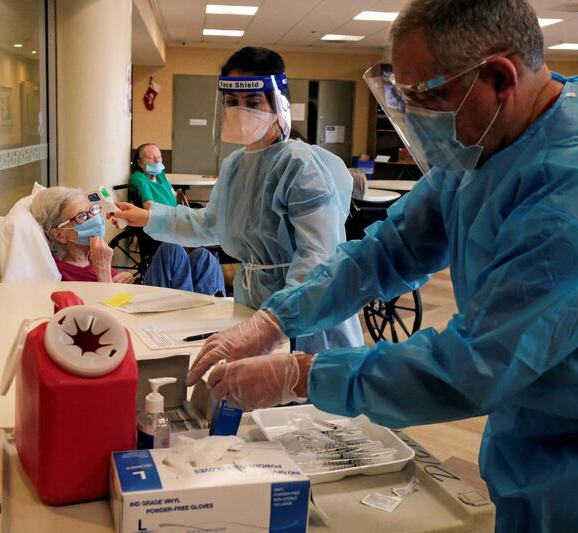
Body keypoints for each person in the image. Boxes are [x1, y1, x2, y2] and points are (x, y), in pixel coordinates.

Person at [189, 1, 578, 531]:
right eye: (405, 97)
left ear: (499, 77)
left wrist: (304, 375)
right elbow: (390, 248)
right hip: (537, 427)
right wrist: (277, 320)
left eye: (429, 97)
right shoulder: (491, 138)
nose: (417, 117)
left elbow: (477, 363)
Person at [112, 46, 363, 354]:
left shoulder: (299, 165)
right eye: (232, 102)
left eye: (253, 101)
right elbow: (212, 223)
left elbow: (317, 258)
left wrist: (278, 320)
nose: (241, 110)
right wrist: (151, 218)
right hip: (253, 306)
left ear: (277, 101)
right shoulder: (235, 165)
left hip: (306, 316)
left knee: (299, 392)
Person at [31, 187, 224, 295]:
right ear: (60, 235)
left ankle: (206, 317)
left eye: (92, 211)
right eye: (82, 217)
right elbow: (100, 317)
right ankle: (191, 321)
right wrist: (105, 274)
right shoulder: (60, 272)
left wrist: (121, 281)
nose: (93, 219)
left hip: (132, 298)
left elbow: (120, 295)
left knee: (203, 257)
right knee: (171, 250)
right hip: (137, 322)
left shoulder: (92, 256)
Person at [130, 143, 177, 208]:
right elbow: (148, 205)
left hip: (176, 214)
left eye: (159, 157)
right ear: (139, 162)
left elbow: (174, 194)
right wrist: (172, 213)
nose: (157, 161)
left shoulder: (160, 174)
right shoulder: (139, 178)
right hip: (163, 217)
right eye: (151, 158)